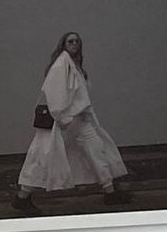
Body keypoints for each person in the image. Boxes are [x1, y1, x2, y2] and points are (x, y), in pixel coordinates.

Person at [10, 31, 130, 212]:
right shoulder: (61, 65)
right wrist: (63, 118)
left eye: (77, 41)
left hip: (80, 120)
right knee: (44, 157)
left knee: (97, 151)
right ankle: (22, 196)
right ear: (63, 44)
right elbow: (54, 93)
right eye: (70, 41)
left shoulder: (73, 65)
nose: (74, 44)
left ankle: (110, 192)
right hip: (67, 122)